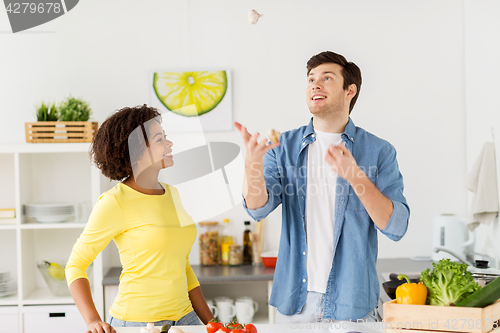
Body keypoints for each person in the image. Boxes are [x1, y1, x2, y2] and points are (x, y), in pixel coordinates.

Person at [235, 51, 410, 322]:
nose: (315, 84)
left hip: (353, 303)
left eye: (327, 78)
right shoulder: (284, 147)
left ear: (349, 90)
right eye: (311, 79)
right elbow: (257, 208)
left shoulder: (379, 151)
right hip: (296, 303)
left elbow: (396, 226)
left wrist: (355, 175)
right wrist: (252, 165)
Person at [66, 105, 214, 333]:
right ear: (135, 150)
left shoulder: (172, 194)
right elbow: (76, 265)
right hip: (137, 323)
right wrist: (93, 320)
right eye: (159, 139)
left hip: (186, 320)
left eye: (165, 137)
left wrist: (212, 324)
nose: (169, 144)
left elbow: (181, 265)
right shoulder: (115, 201)